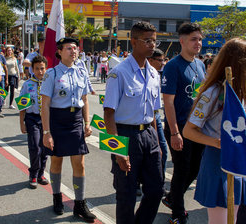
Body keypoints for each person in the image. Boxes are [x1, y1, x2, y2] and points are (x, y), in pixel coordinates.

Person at [104, 21, 163, 224]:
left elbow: (153, 112)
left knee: (156, 191)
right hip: (125, 134)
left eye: (154, 41)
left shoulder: (154, 73)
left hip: (149, 135)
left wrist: (157, 142)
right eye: (147, 41)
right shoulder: (119, 73)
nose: (152, 45)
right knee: (127, 195)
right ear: (134, 41)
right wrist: (118, 151)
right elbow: (108, 114)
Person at [183, 38, 246, 224]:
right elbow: (189, 130)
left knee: (234, 219)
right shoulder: (213, 92)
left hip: (239, 160)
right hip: (218, 161)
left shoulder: (242, 92)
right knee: (220, 221)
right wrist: (218, 143)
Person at [40, 37, 96, 223]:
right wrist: (46, 133)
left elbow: (86, 99)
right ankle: (57, 197)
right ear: (59, 52)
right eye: (69, 48)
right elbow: (45, 104)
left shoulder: (82, 72)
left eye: (75, 48)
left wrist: (87, 123)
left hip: (75, 120)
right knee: (56, 162)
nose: (73, 51)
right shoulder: (52, 74)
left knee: (79, 164)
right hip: (57, 120)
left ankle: (79, 203)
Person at [161, 22, 206, 224]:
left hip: (197, 128)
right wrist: (174, 132)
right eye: (193, 39)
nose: (198, 43)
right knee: (181, 170)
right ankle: (177, 213)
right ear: (182, 41)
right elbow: (168, 102)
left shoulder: (200, 64)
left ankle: (172, 197)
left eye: (200, 39)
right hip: (179, 128)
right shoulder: (172, 67)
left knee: (195, 169)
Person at [19, 55, 49, 189]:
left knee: (45, 148)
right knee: (35, 147)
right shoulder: (27, 85)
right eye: (37, 69)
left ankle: (41, 173)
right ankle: (33, 174)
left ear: (46, 69)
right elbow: (22, 106)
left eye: (42, 68)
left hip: (46, 119)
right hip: (32, 118)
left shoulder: (49, 83)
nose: (40, 72)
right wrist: (22, 123)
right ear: (32, 69)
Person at [147, 48, 168, 175]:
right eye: (160, 60)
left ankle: (159, 181)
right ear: (150, 60)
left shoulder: (157, 75)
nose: (163, 63)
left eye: (164, 60)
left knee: (163, 150)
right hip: (140, 120)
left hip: (156, 116)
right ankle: (138, 182)